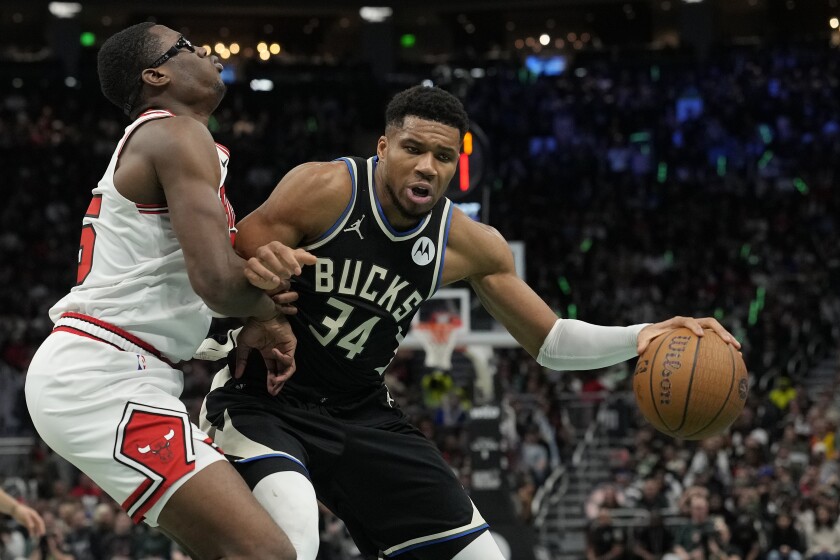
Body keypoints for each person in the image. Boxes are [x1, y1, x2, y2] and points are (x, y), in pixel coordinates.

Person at [201, 84, 741, 560]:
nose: (427, 167)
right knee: (294, 536)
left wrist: (645, 335)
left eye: (442, 155)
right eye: (413, 149)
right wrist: (261, 310)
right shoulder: (325, 189)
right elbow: (227, 262)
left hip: (360, 410)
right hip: (265, 399)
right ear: (384, 147)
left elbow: (550, 342)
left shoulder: (470, 244)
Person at [24, 22, 314, 560]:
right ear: (156, 74)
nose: (206, 51)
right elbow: (218, 284)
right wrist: (272, 312)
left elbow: (199, 288)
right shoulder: (176, 134)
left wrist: (242, 321)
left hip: (121, 369)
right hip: (101, 377)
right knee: (267, 553)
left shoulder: (171, 140)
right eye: (188, 47)